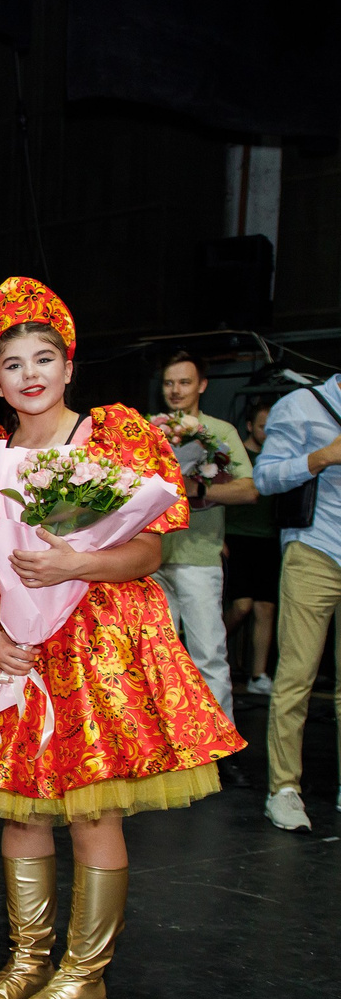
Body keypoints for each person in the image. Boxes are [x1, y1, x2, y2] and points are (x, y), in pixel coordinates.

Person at [0, 277, 240, 999]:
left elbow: (150, 551)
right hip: (20, 651)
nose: (30, 374)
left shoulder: (110, 436)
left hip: (95, 645)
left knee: (90, 810)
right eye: (13, 365)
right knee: (21, 813)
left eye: (43, 359)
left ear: (69, 366)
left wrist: (76, 565)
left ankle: (84, 984)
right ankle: (27, 963)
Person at [253, 372, 341, 831]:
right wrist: (322, 457)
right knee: (296, 676)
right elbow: (264, 477)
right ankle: (283, 789)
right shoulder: (301, 405)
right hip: (315, 550)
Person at [151, 351, 256, 719]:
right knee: (157, 658)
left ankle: (222, 742)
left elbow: (249, 489)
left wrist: (198, 489)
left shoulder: (219, 432)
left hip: (198, 556)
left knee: (207, 655)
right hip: (149, 559)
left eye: (184, 382)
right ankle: (166, 739)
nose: (176, 390)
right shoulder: (149, 430)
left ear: (202, 385)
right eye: (169, 383)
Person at [223, 399, 277, 696]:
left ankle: (259, 675)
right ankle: (209, 645)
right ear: (249, 426)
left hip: (266, 539)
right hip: (237, 537)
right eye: (262, 426)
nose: (267, 432)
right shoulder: (236, 455)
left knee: (265, 608)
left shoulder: (276, 458)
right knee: (242, 606)